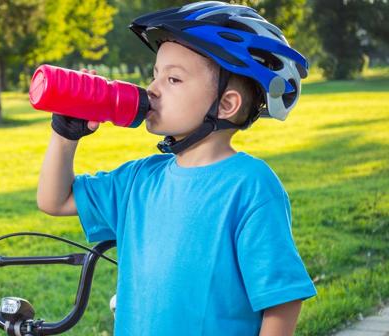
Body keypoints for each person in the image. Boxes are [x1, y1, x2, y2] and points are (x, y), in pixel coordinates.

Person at [37, 2, 317, 335]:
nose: (152, 89)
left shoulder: (250, 185)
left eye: (173, 79)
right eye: (155, 75)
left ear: (226, 104)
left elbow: (281, 302)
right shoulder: (139, 180)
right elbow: (55, 200)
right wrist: (65, 135)